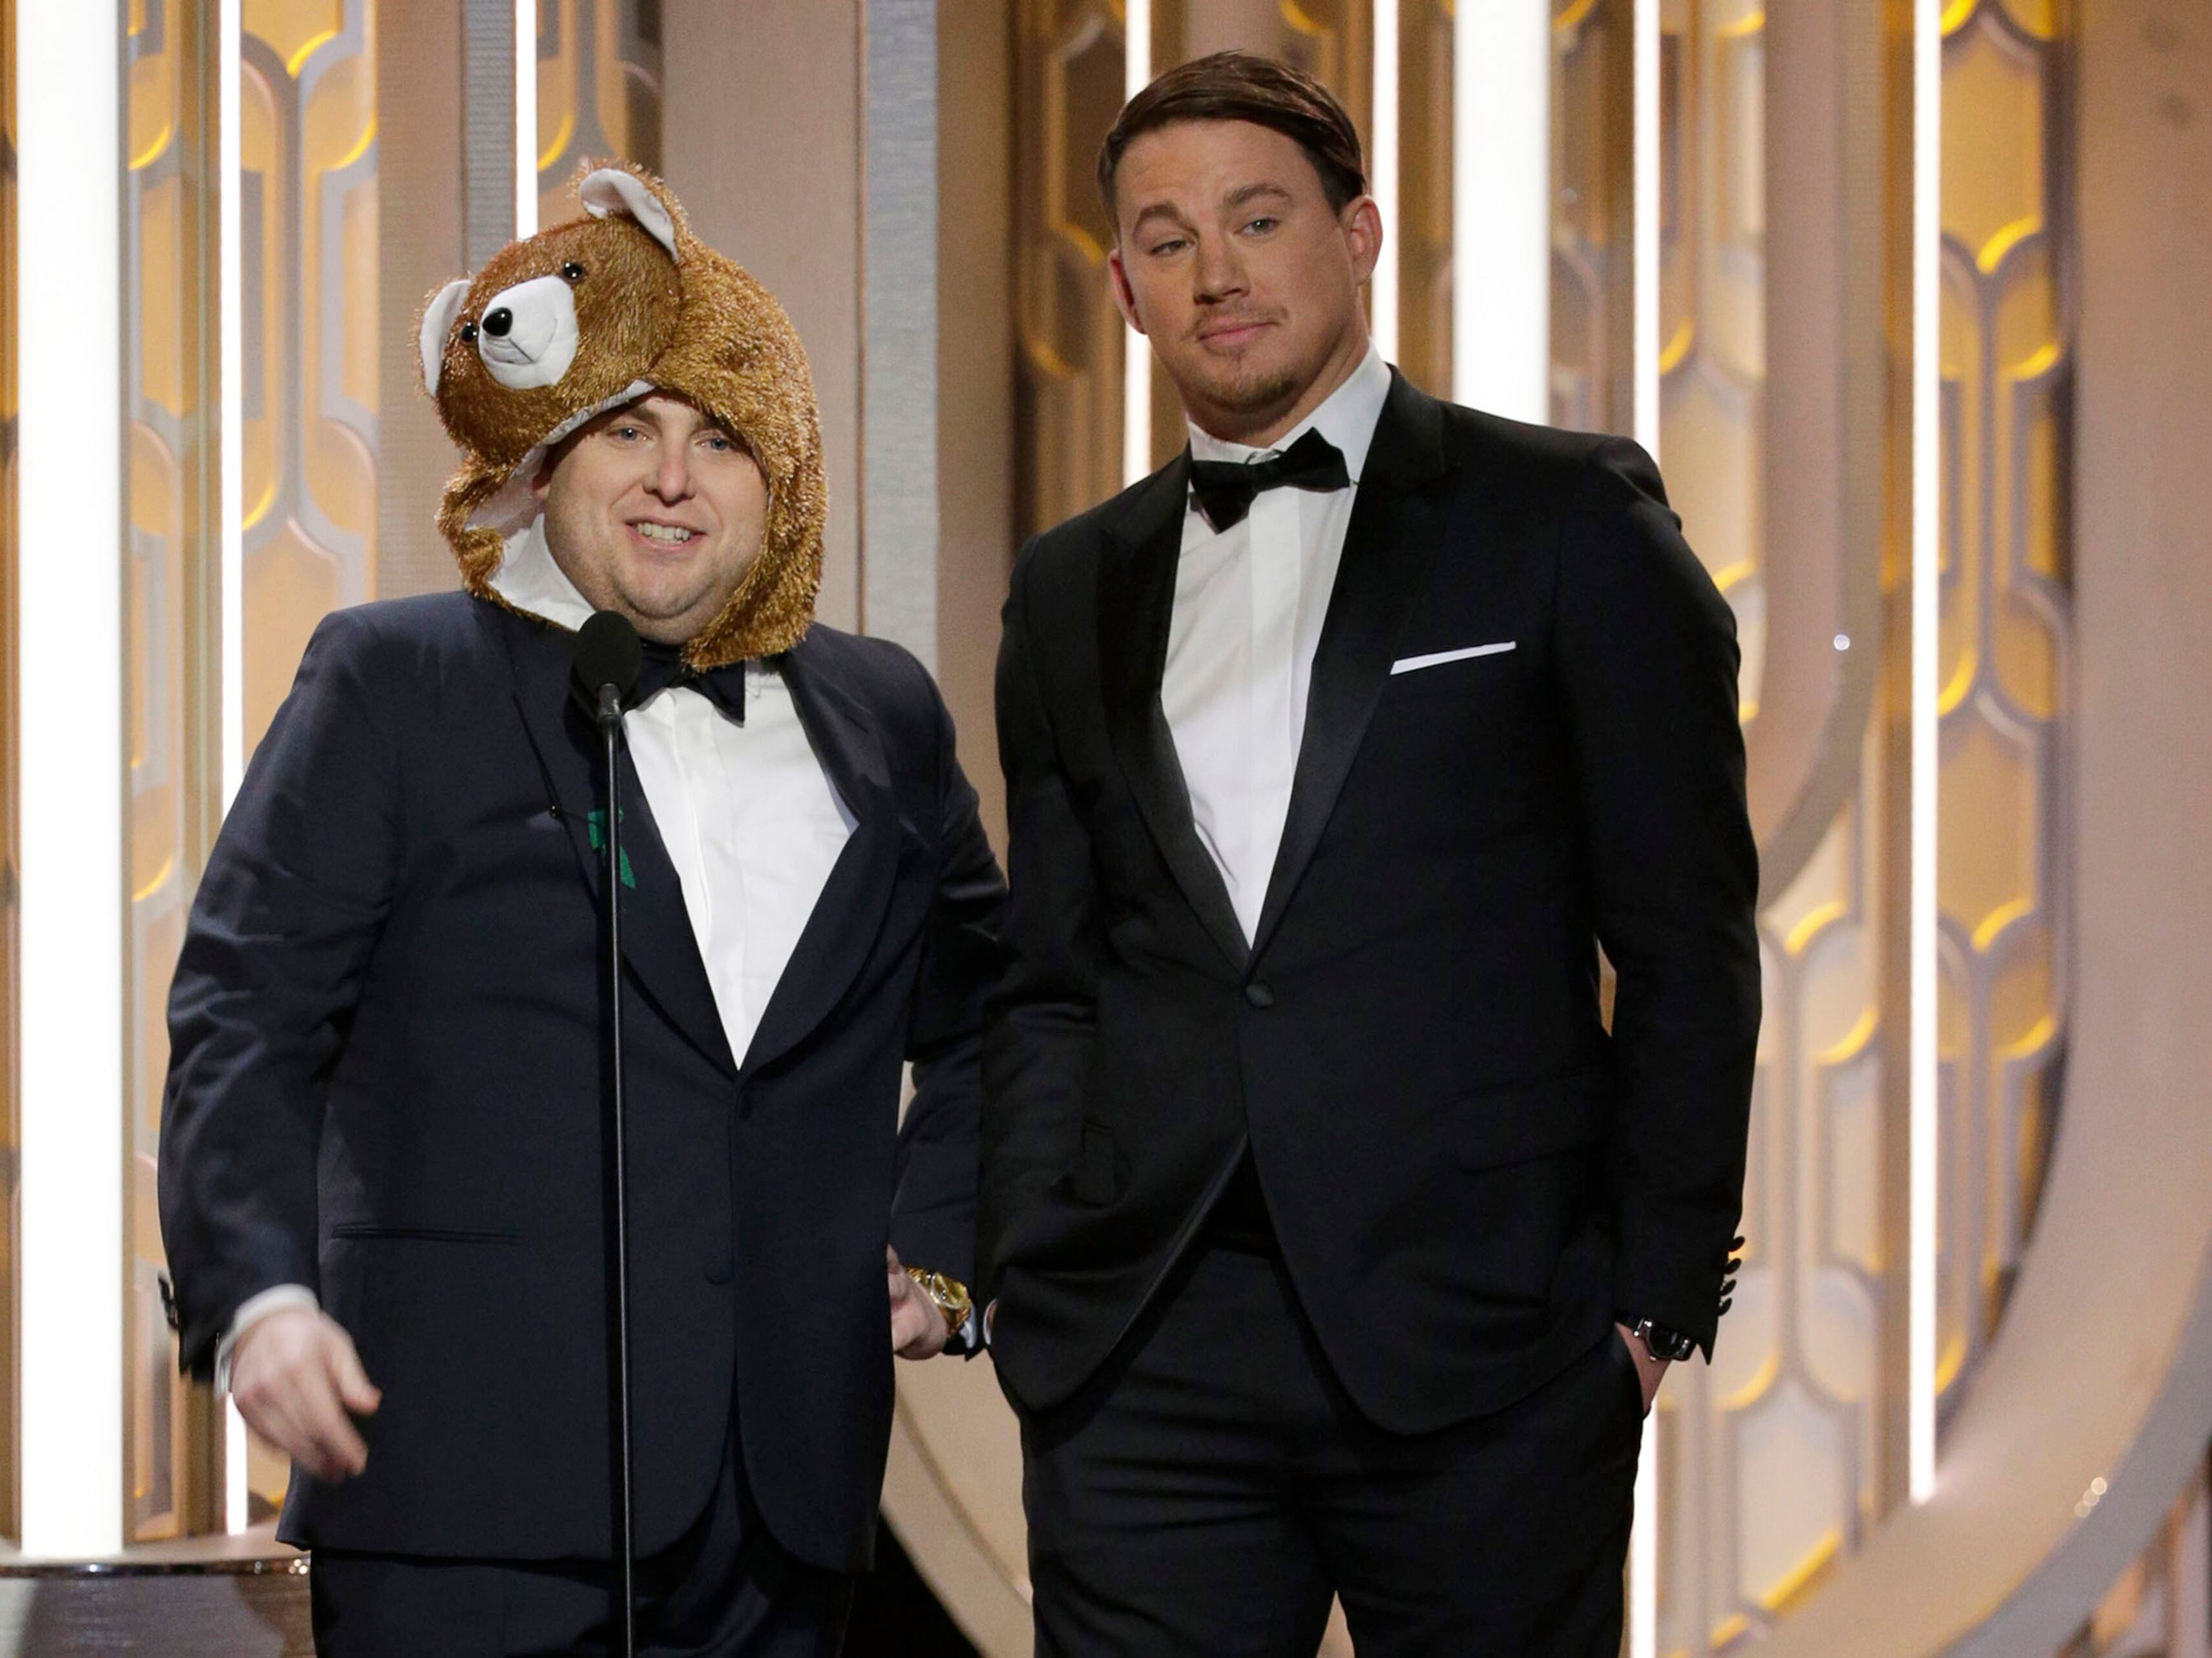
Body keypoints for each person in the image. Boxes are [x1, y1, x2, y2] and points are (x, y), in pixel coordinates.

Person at [159, 165, 1003, 1657]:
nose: (678, 477)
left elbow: (1001, 1012)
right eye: (631, 430)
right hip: (457, 1494)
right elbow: (246, 1007)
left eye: (724, 439)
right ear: (546, 462)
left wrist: (943, 1252)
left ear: (782, 483)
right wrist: (261, 1292)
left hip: (785, 1509)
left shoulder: (885, 711)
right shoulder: (393, 678)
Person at [979, 52, 1761, 1655]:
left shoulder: (1565, 517)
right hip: (1145, 1356)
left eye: (1258, 218)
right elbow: (1055, 976)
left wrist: (1646, 1315)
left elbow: (1687, 940)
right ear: (1125, 290)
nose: (1220, 270)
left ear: (1360, 231)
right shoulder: (1069, 587)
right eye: (1171, 238)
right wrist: (1028, 1277)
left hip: (1493, 1352)